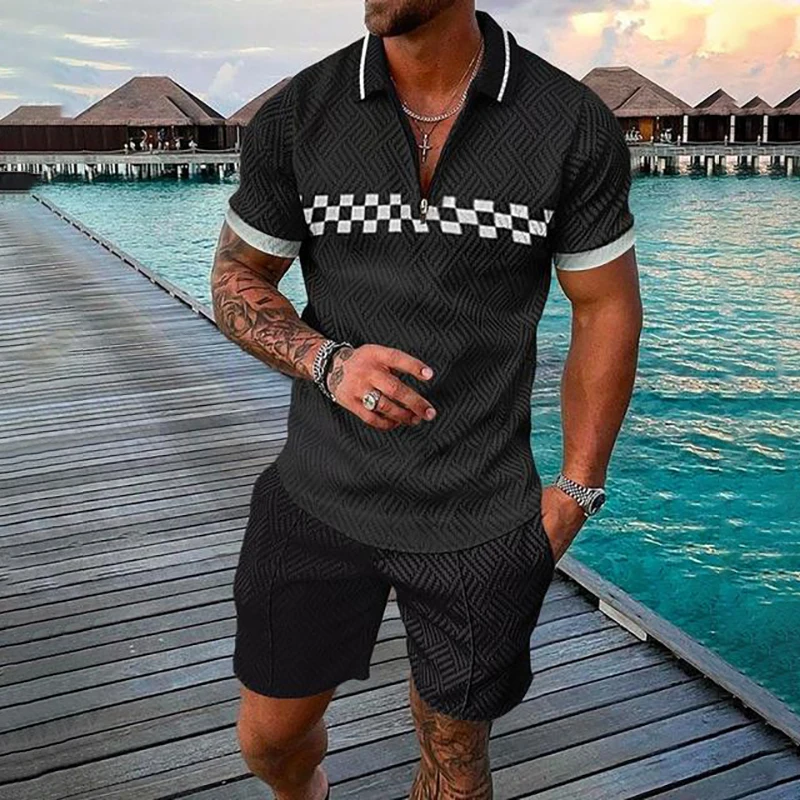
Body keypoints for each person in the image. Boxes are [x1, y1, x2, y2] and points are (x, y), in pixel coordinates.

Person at [210, 1, 642, 798]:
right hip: (318, 495)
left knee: (456, 760)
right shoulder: (298, 115)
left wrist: (578, 488)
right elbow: (237, 276)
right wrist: (326, 361)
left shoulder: (568, 123)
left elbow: (605, 307)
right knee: (269, 741)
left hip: (478, 514)